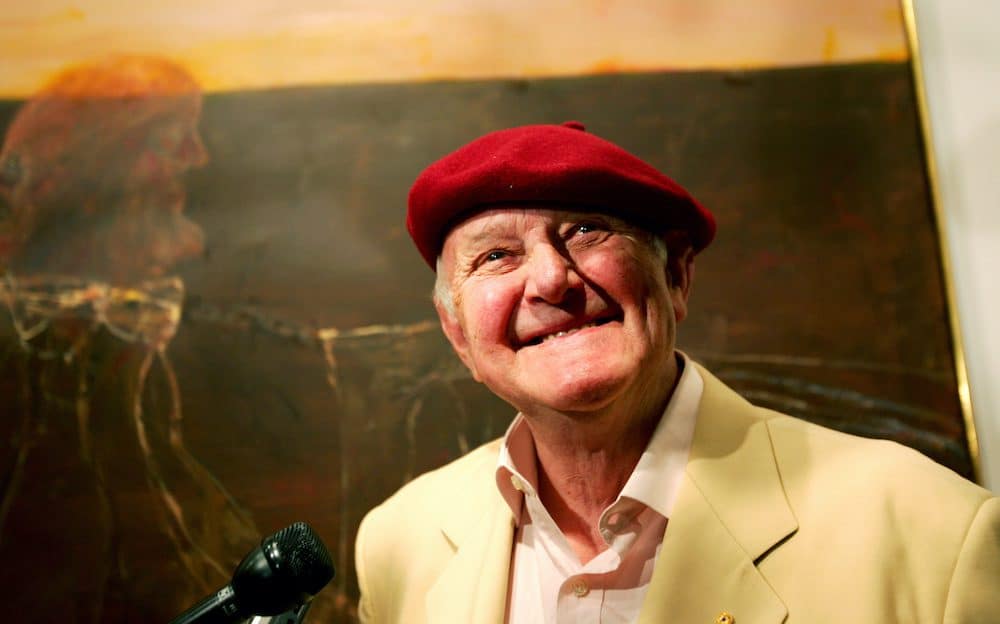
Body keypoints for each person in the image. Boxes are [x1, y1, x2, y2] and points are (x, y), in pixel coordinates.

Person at [355, 121, 1000, 623]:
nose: (551, 279)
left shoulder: (930, 529)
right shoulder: (398, 544)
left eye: (585, 232)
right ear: (460, 335)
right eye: (497, 255)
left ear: (675, 276)